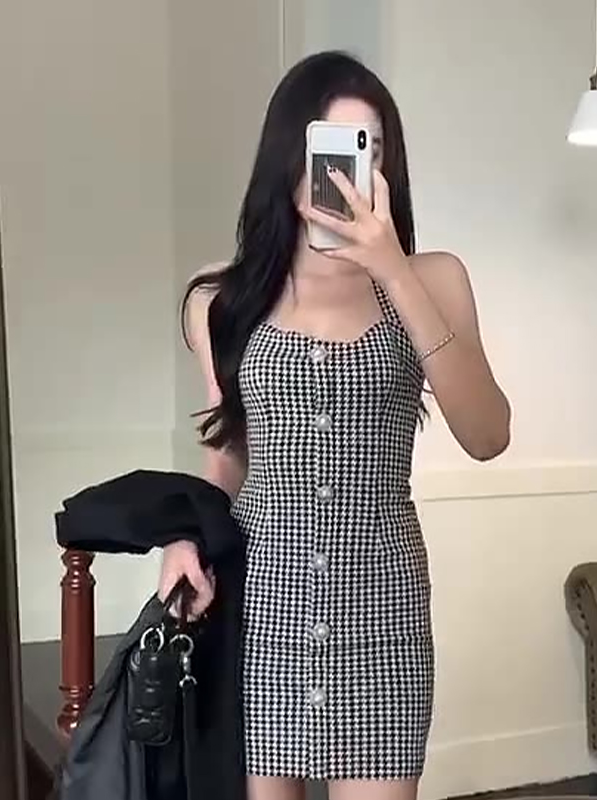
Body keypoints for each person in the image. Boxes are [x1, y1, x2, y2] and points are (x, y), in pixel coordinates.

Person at [159, 50, 511, 800]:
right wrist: (185, 536)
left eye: (372, 151)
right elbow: (228, 452)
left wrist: (393, 269)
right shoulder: (219, 300)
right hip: (261, 605)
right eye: (336, 149)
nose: (353, 174)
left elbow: (487, 436)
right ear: (290, 158)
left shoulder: (435, 279)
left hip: (383, 606)